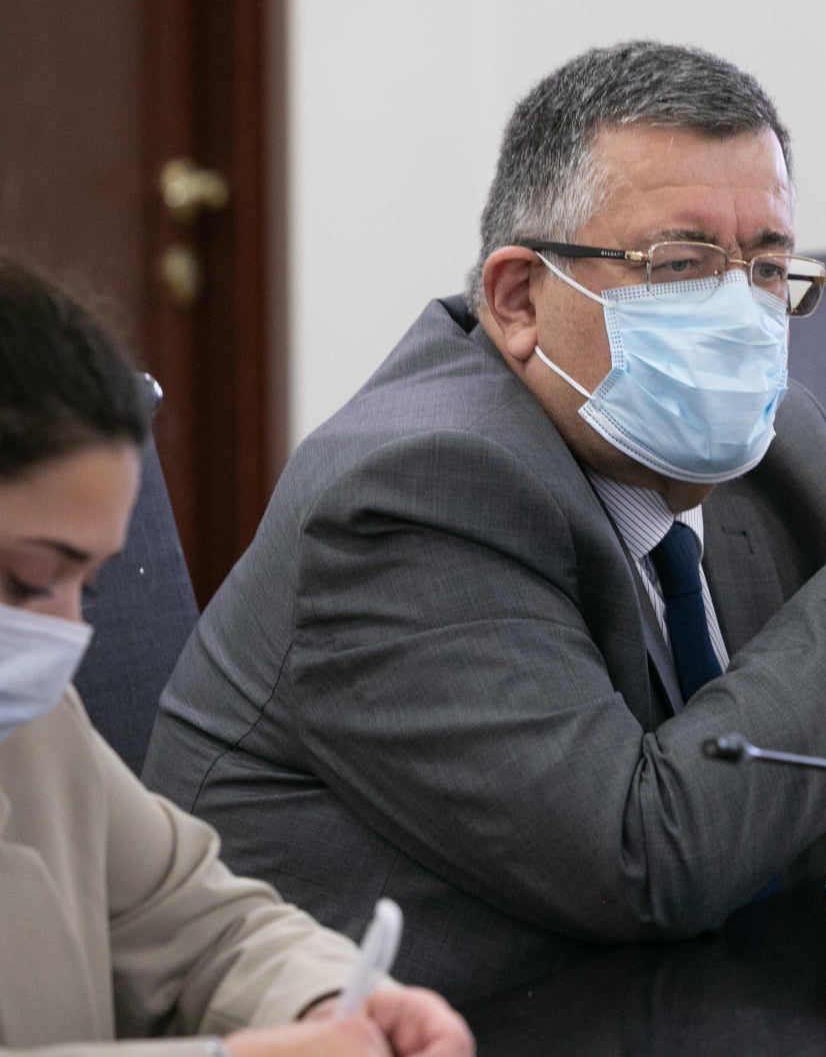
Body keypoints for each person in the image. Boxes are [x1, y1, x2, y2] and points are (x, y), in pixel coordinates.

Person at [145, 43, 826, 1001]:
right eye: (679, 264)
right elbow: (643, 861)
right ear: (519, 299)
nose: (738, 316)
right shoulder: (414, 495)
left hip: (696, 1003)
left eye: (766, 267)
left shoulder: (773, 449)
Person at [0, 257, 472, 1056]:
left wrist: (329, 1001)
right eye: (31, 576)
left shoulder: (37, 724)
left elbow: (203, 924)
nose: (69, 630)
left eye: (90, 582)